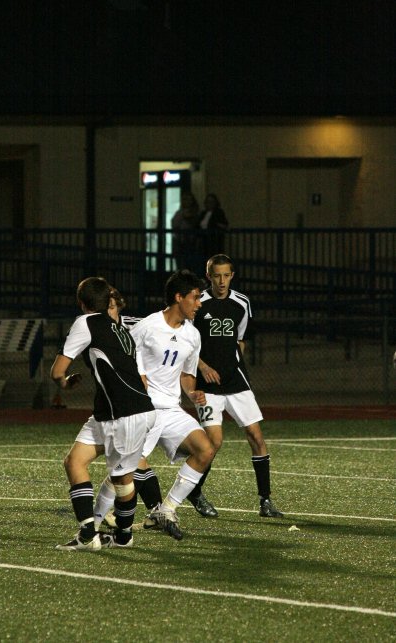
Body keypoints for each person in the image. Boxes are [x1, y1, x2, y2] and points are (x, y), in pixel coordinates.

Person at [93, 269, 216, 540]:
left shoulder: (192, 335)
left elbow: (186, 374)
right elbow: (125, 357)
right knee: (125, 468)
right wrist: (138, 379)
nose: (199, 303)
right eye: (195, 298)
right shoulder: (147, 327)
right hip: (143, 408)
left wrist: (192, 393)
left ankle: (166, 509)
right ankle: (93, 522)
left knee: (206, 449)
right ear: (178, 297)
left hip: (171, 409)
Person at [51, 276, 156, 552]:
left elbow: (56, 371)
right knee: (75, 461)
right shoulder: (120, 330)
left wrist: (64, 382)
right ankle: (93, 534)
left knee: (122, 479)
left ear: (81, 303)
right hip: (117, 411)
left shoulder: (85, 322)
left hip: (123, 414)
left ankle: (117, 537)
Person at [190, 254, 283, 518]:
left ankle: (265, 501)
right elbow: (186, 342)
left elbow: (242, 339)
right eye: (216, 275)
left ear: (232, 275)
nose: (221, 281)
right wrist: (203, 367)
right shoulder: (198, 304)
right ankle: (195, 492)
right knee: (213, 443)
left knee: (256, 436)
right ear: (208, 276)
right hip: (206, 385)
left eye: (226, 275)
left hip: (236, 381)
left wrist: (234, 362)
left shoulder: (242, 303)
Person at [171, 192, 200, 270]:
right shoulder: (179, 212)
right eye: (184, 199)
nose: (186, 202)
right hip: (180, 241)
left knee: (189, 264)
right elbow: (174, 223)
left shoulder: (195, 212)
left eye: (188, 200)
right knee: (180, 264)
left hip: (190, 242)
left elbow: (194, 223)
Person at [198, 193, 228, 258]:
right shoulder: (203, 213)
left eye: (212, 201)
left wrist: (215, 225)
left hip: (214, 241)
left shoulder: (219, 212)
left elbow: (224, 224)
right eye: (208, 202)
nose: (210, 203)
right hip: (203, 241)